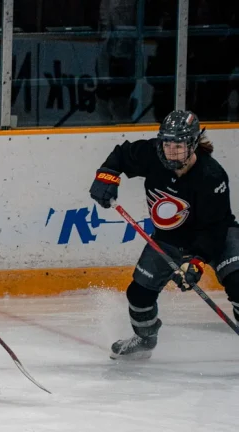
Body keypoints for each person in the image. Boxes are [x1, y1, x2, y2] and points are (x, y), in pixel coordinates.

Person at [89, 110, 239, 360]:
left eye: (177, 145)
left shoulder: (211, 175)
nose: (170, 150)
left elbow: (214, 229)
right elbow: (121, 155)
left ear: (192, 144)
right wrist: (106, 177)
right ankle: (145, 339)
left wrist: (197, 262)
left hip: (217, 235)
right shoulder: (152, 154)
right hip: (170, 238)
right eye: (166, 143)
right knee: (138, 294)